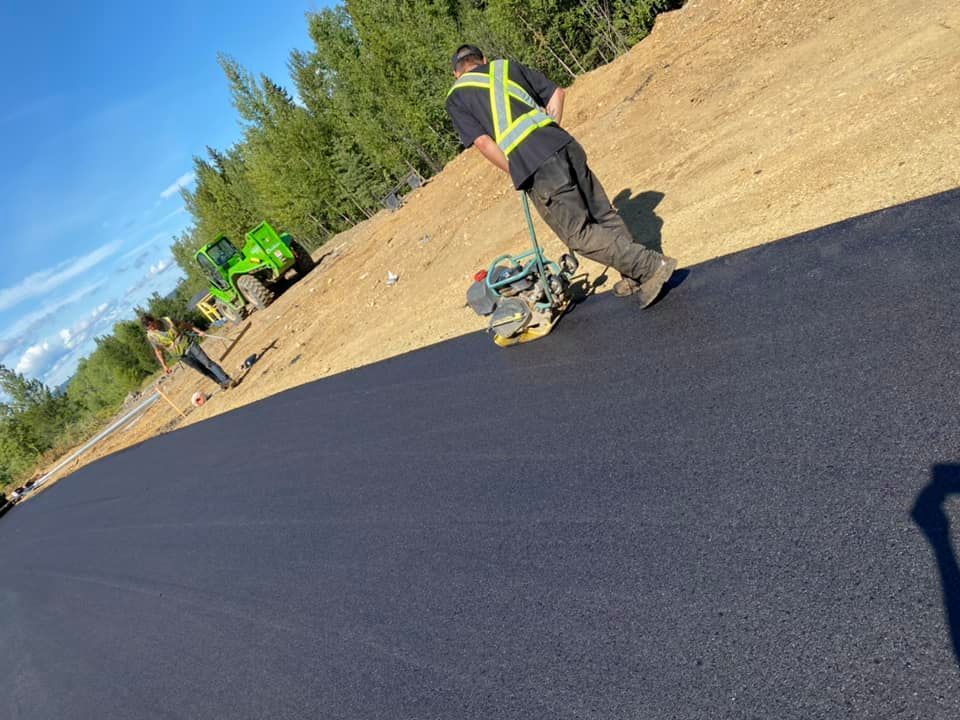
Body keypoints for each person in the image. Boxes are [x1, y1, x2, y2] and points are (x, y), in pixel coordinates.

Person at [445, 45, 678, 307]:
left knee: (578, 234)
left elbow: (484, 143)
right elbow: (557, 93)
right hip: (564, 145)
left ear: (457, 73)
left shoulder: (456, 97)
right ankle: (636, 275)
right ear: (483, 60)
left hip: (537, 166)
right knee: (602, 214)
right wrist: (551, 132)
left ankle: (649, 266)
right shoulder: (506, 67)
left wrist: (517, 168)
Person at [141, 314, 235, 390]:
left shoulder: (168, 320)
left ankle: (227, 379)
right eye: (149, 328)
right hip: (180, 355)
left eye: (152, 325)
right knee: (202, 370)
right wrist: (165, 365)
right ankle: (221, 383)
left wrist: (199, 331)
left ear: (154, 320)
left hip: (189, 344)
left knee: (208, 363)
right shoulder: (151, 336)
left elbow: (186, 325)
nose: (152, 328)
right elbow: (158, 351)